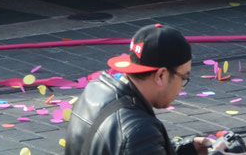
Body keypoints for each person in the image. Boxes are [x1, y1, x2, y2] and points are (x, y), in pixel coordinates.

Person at [66, 24, 209, 155]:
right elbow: (135, 144)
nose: (182, 87)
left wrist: (188, 147)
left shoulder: (95, 88)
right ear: (161, 75)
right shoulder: (139, 131)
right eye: (183, 77)